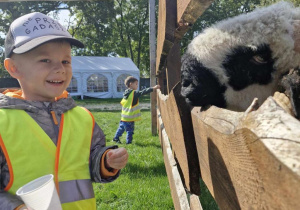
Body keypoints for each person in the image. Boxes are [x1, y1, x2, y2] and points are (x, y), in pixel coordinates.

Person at [0, 12, 128, 210]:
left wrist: (106, 161)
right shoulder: (2, 123)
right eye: (45, 60)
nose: (60, 69)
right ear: (14, 68)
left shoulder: (83, 118)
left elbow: (90, 160)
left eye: (66, 61)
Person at [113, 76, 160, 144]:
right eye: (136, 84)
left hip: (123, 117)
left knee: (121, 128)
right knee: (130, 131)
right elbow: (143, 92)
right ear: (131, 84)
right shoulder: (133, 93)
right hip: (129, 118)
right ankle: (129, 143)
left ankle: (116, 138)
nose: (137, 86)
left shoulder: (126, 93)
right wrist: (153, 88)